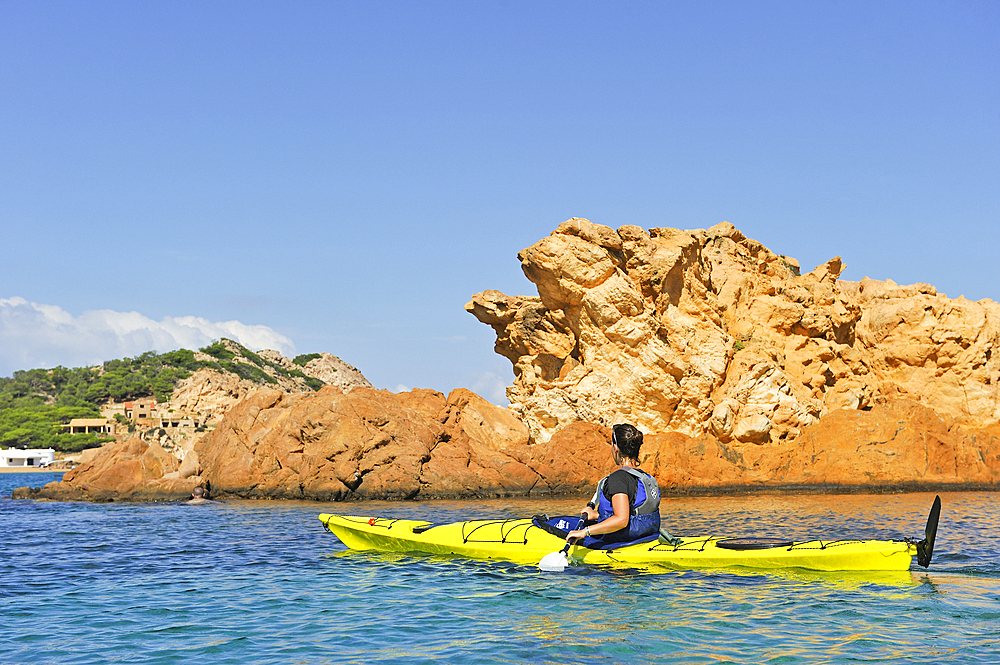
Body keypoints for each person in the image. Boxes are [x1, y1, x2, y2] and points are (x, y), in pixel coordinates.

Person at [566, 423, 660, 544]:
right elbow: (633, 515)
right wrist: (596, 516)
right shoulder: (644, 477)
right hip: (647, 534)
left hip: (623, 539)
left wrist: (584, 532)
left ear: (615, 447)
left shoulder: (618, 479)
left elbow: (621, 520)